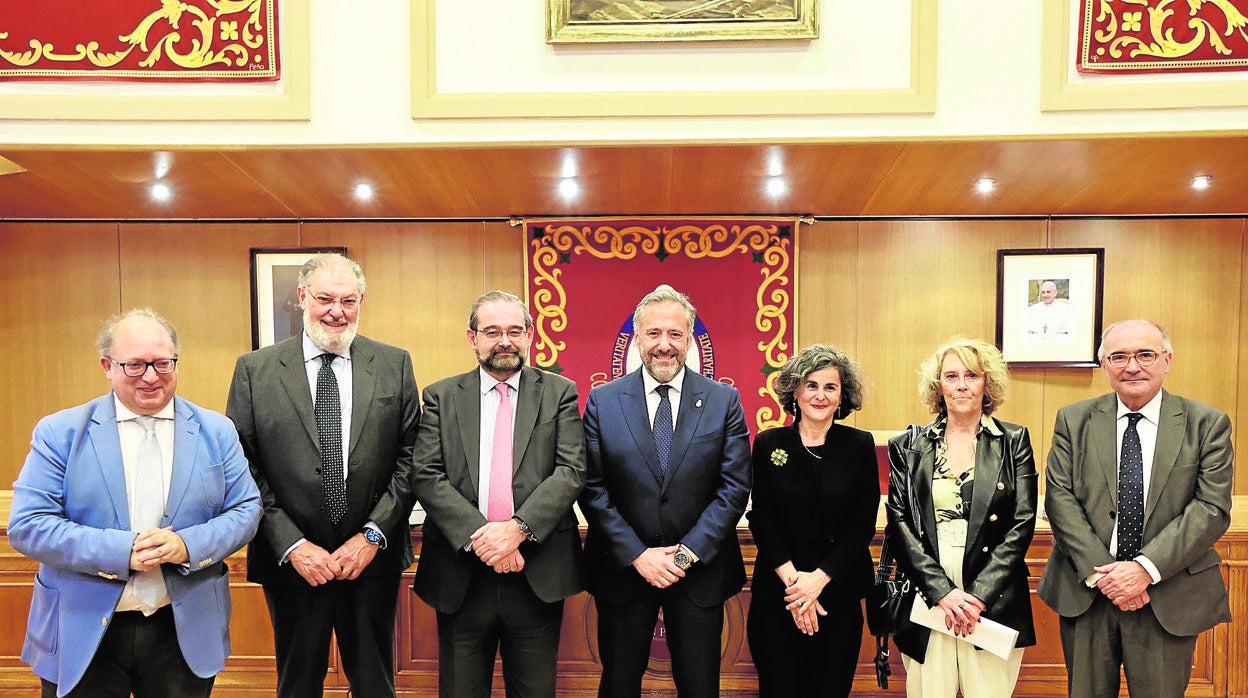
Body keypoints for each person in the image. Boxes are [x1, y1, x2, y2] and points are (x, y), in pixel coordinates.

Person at [8, 308, 262, 697]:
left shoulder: (216, 430)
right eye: (135, 365)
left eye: (162, 363)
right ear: (107, 366)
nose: (151, 376)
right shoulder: (60, 433)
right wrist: (120, 551)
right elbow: (28, 525)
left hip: (183, 631)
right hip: (82, 628)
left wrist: (187, 545)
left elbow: (246, 511)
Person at [226, 253, 420, 698]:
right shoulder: (255, 371)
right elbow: (242, 465)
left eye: (348, 301)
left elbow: (412, 458)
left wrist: (372, 536)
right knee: (297, 685)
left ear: (361, 301)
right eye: (325, 298)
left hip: (371, 560)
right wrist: (292, 545)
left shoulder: (395, 364)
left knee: (374, 684)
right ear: (302, 298)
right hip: (293, 563)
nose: (337, 311)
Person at [1039, 319, 1234, 697]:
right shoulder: (1074, 419)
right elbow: (1059, 498)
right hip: (1089, 591)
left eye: (1145, 354)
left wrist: (1143, 570)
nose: (1132, 366)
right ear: (1103, 364)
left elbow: (1210, 508)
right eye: (1119, 356)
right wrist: (1107, 576)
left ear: (1167, 360)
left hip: (1168, 592)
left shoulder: (1206, 423)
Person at [411, 290, 587, 698]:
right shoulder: (441, 396)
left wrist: (517, 530)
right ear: (472, 338)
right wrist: (488, 538)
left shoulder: (559, 392)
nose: (504, 340)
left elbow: (571, 471)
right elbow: (427, 474)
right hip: (461, 574)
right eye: (492, 331)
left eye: (513, 330)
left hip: (536, 570)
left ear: (529, 335)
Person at [580, 284, 752, 698]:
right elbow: (591, 486)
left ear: (689, 339)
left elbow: (734, 487)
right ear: (637, 337)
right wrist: (639, 555)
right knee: (618, 685)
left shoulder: (722, 400)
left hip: (699, 573)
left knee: (699, 687)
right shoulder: (603, 401)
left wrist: (682, 554)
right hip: (624, 570)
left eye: (675, 334)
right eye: (654, 333)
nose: (664, 345)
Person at [884, 337, 1037, 698]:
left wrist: (977, 597)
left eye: (971, 375)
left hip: (992, 591)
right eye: (951, 376)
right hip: (928, 589)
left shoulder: (1013, 440)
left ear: (987, 383)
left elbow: (1022, 521)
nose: (962, 384)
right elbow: (900, 521)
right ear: (939, 385)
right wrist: (943, 594)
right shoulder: (909, 446)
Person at [746, 344, 879, 697]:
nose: (820, 395)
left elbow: (863, 524)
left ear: (842, 396)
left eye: (830, 387)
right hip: (778, 600)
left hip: (838, 597)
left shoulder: (860, 445)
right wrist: (797, 587)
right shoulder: (768, 443)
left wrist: (817, 582)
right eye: (811, 385)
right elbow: (761, 518)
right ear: (795, 391)